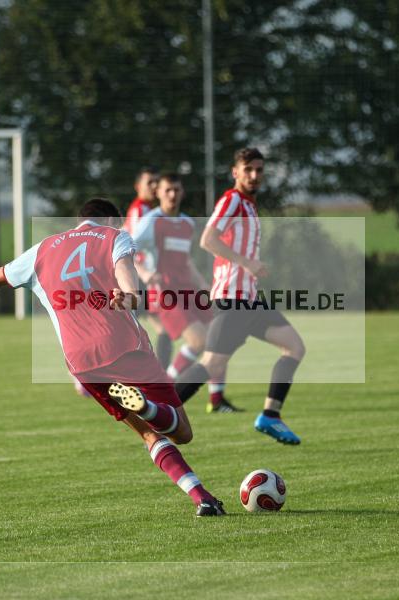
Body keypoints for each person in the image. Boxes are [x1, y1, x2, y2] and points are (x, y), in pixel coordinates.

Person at [0, 198, 225, 516]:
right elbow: (124, 269)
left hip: (82, 363)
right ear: (112, 220)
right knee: (182, 431)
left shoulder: (43, 249)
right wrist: (129, 294)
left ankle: (203, 498)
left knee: (147, 433)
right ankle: (149, 407)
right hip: (124, 348)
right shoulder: (115, 236)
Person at [174, 148, 306, 445]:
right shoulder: (232, 200)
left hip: (250, 299)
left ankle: (270, 416)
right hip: (233, 299)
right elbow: (208, 239)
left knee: (294, 347)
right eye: (248, 169)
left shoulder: (249, 204)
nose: (255, 175)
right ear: (236, 172)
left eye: (259, 170)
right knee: (211, 363)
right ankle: (164, 412)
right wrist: (247, 263)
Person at [131, 173, 237, 413]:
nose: (172, 194)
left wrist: (206, 288)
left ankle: (217, 399)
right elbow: (127, 251)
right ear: (158, 192)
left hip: (188, 289)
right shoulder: (151, 221)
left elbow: (186, 261)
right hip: (164, 292)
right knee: (199, 341)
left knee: (221, 337)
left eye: (176, 190)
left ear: (182, 192)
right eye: (167, 190)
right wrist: (146, 275)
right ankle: (164, 391)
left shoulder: (187, 223)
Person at [123, 167, 173, 368]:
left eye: (156, 182)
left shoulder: (148, 210)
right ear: (138, 187)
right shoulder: (141, 209)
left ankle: (158, 378)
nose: (154, 186)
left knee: (159, 329)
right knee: (131, 331)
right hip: (137, 277)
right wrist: (144, 271)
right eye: (149, 182)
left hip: (141, 276)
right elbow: (132, 246)